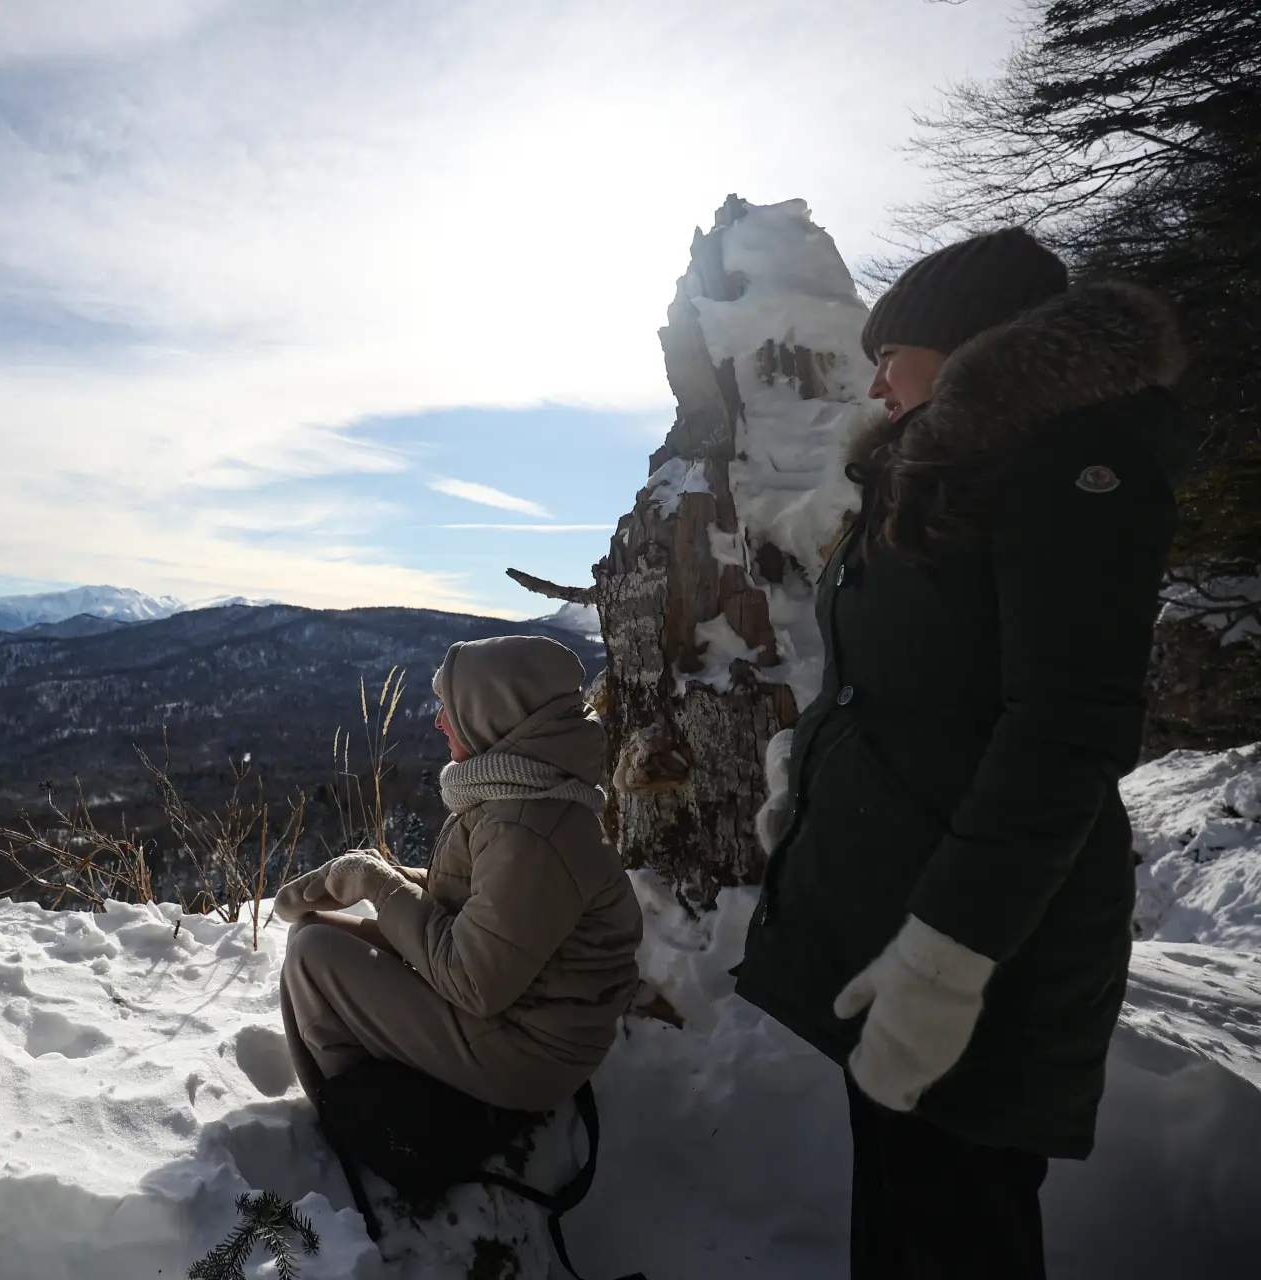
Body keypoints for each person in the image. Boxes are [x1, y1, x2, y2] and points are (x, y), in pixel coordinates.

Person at [734, 227, 1194, 1278]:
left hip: (982, 941)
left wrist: (946, 959)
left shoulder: (1076, 466)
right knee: (901, 1204)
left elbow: (1064, 730)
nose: (876, 380)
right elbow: (906, 680)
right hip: (901, 906)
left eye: (893, 353)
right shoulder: (944, 471)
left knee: (958, 1225)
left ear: (972, 344)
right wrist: (811, 776)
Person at [275, 634, 643, 1114]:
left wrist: (377, 884)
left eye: (449, 708)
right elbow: (478, 900)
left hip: (528, 1052)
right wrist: (379, 874)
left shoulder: (532, 829)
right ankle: (377, 1092)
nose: (439, 721)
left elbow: (473, 980)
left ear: (491, 714)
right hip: (519, 1016)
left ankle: (376, 1120)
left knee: (315, 955)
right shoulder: (521, 792)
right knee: (317, 932)